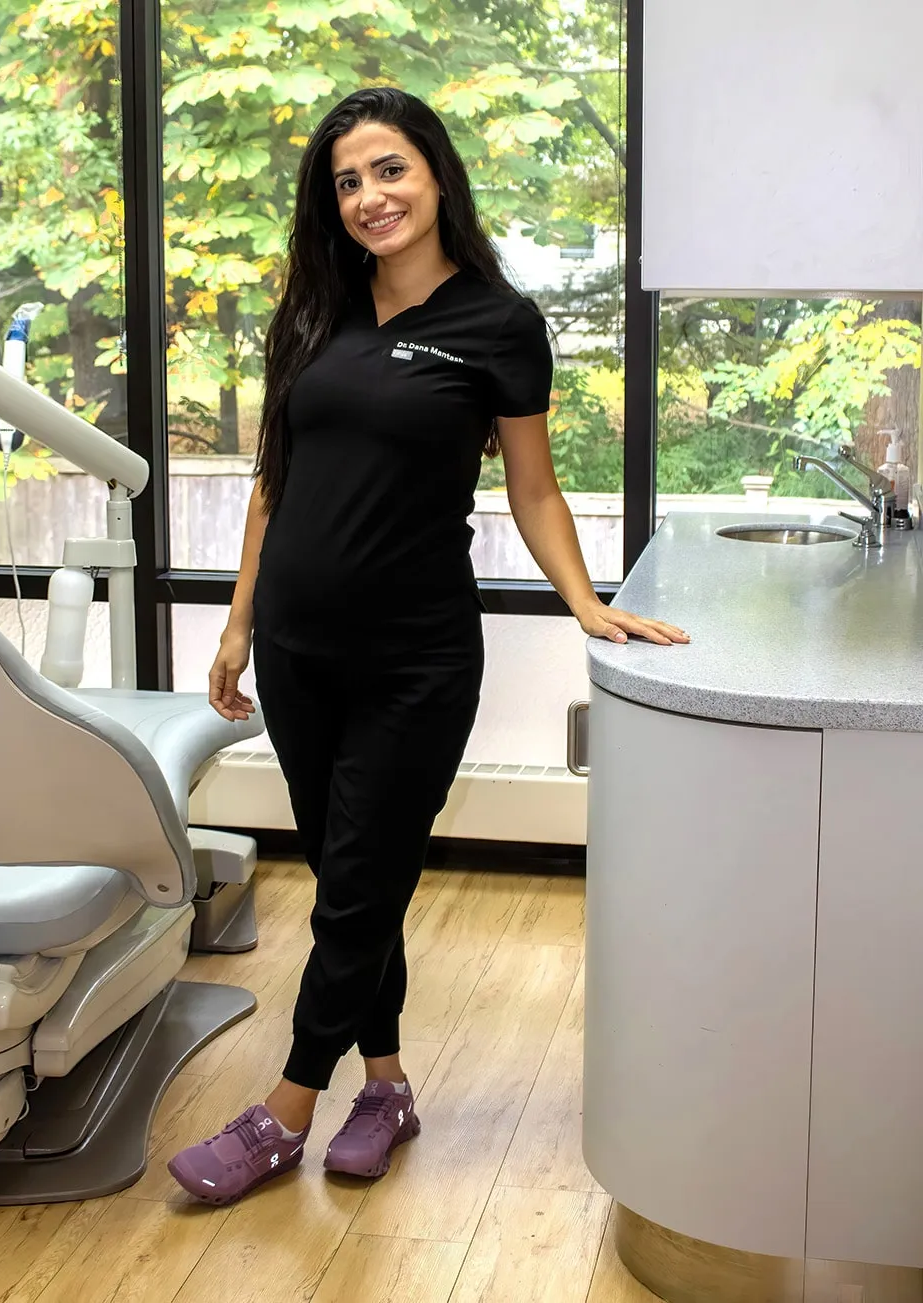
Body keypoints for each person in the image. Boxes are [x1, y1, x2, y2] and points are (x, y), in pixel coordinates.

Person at [168, 86, 688, 1206]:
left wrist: (585, 604)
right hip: (301, 651)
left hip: (417, 657)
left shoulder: (498, 323)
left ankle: (283, 1113)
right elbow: (275, 480)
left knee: (356, 886)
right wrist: (239, 622)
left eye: (389, 170)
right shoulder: (314, 309)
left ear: (437, 174)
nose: (369, 197)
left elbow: (534, 487)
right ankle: (388, 1085)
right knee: (358, 876)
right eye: (348, 181)